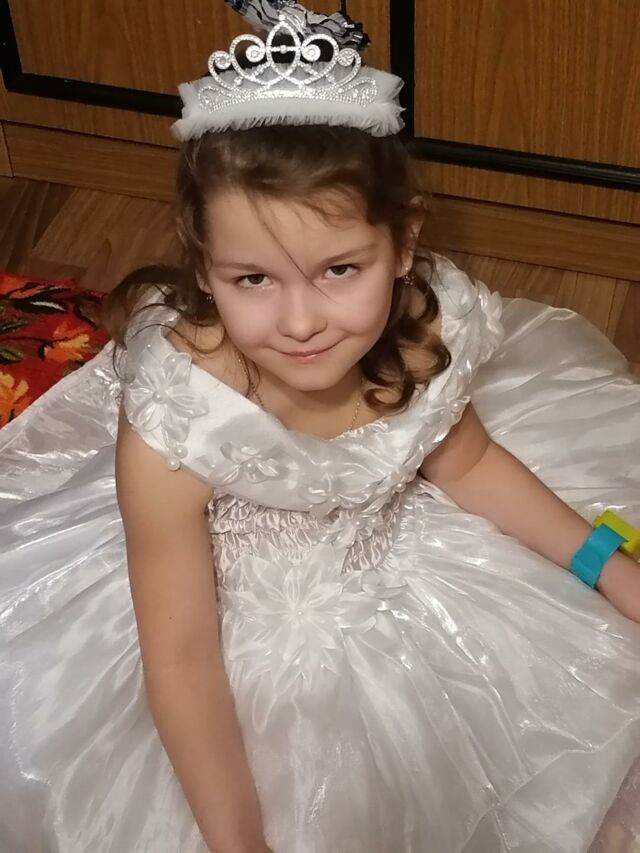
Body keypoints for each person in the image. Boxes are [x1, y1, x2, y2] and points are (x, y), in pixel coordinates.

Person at [1, 2, 639, 851]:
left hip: (404, 565)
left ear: (403, 243)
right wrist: (240, 842)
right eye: (253, 279)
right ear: (203, 265)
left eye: (340, 269)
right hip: (219, 629)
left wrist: (606, 566)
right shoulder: (179, 420)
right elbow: (183, 659)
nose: (301, 322)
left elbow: (467, 463)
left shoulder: (425, 335)